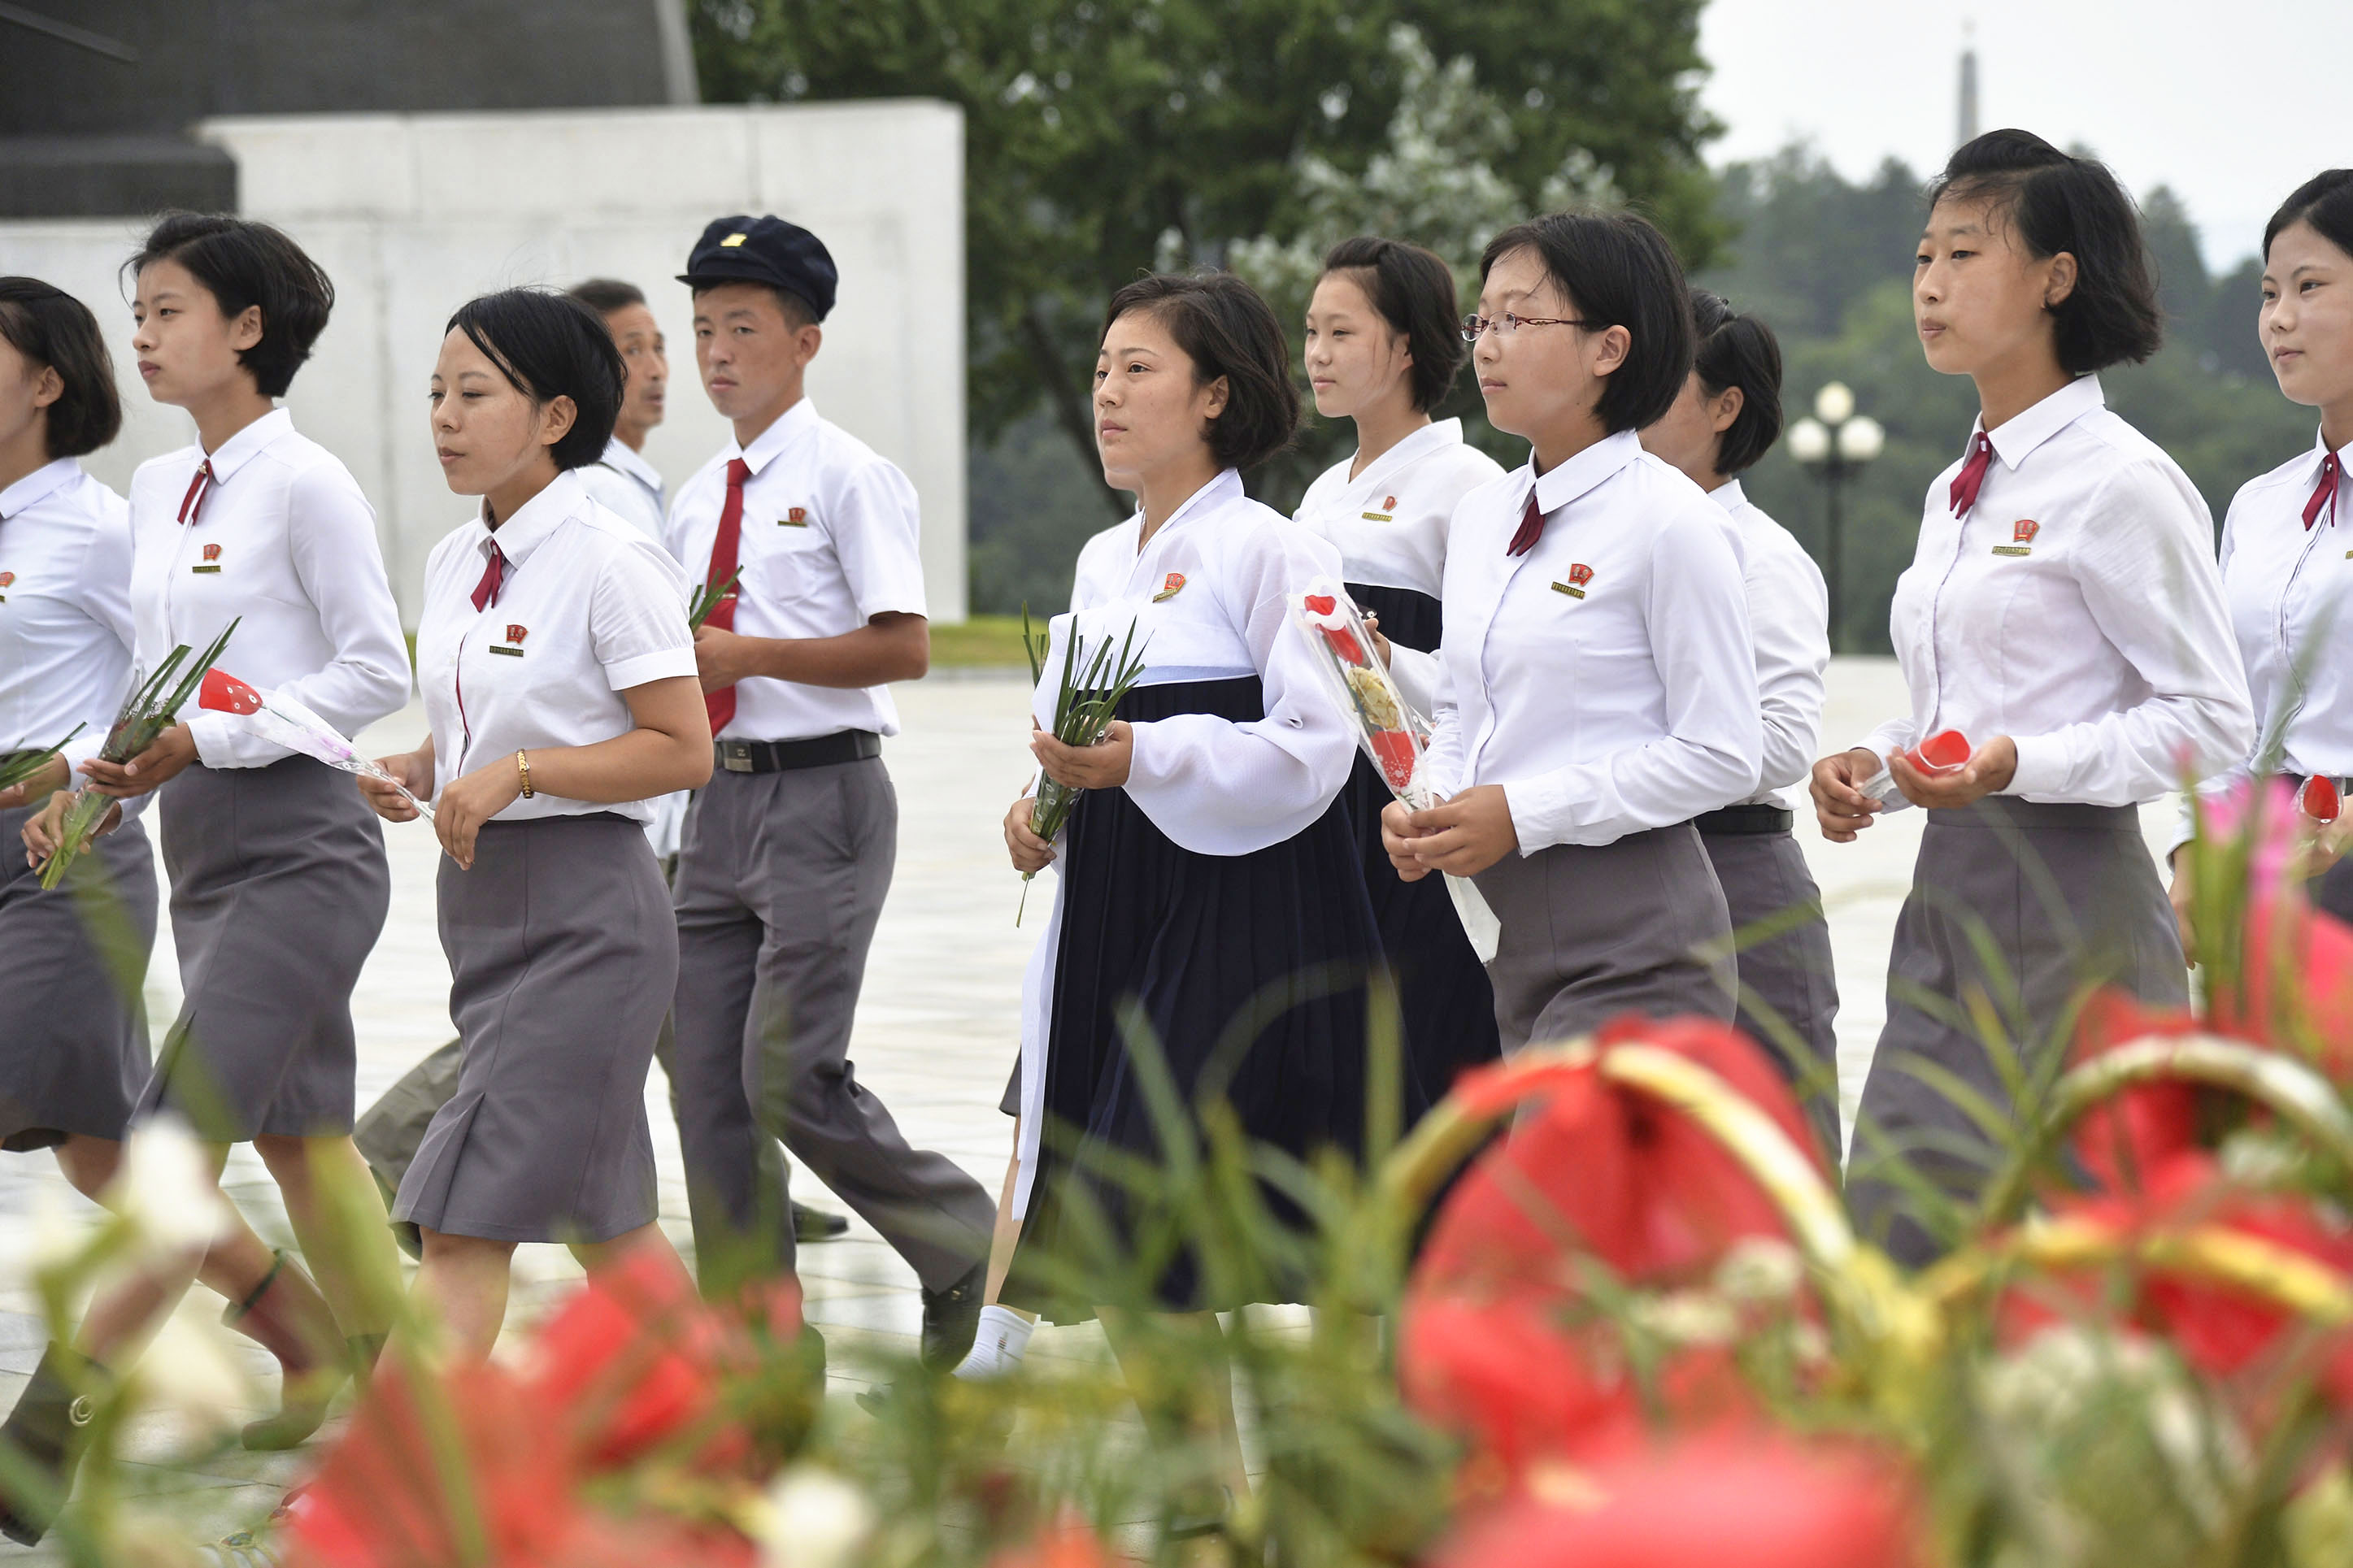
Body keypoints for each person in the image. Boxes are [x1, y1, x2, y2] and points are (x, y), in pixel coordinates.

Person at [3, 215, 414, 1539]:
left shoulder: (306, 485)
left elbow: (372, 671)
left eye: (169, 307)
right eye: (142, 310)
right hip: (207, 851)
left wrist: (206, 737)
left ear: (247, 326)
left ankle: (43, 1433)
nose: (144, 332)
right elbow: (142, 694)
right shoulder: (176, 494)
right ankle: (404, 1393)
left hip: (303, 848)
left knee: (173, 1150)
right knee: (306, 1150)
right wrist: (83, 774)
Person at [1813, 131, 2254, 1266]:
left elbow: (2212, 721)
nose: (1929, 284)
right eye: (1921, 257)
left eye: (1963, 253)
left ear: (2056, 277)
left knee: (2085, 1273)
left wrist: (2019, 764)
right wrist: (1874, 765)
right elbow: (1954, 713)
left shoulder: (2120, 482)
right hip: (1946, 906)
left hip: (2078, 913)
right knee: (1898, 1246)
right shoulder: (1950, 488)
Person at [1000, 270, 1404, 1505]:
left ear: (1217, 395)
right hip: (1114, 907)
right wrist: (1046, 811)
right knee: (1127, 1217)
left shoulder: (1273, 548)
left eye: (1139, 369)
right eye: (1103, 368)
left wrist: (1146, 756)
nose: (1106, 393)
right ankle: (1212, 1499)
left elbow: (1316, 743)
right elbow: (1080, 738)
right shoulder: (1099, 560)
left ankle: (1245, 1494)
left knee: (1141, 1205)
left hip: (1230, 910)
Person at [358, 288, 711, 1359]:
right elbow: (486, 721)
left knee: (462, 1220)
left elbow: (680, 746)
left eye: (474, 394)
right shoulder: (455, 562)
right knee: (613, 1231)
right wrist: (426, 764)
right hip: (482, 922)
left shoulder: (612, 559)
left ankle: (377, 1498)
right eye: (435, 394)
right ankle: (752, 1445)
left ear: (556, 416)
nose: (443, 419)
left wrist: (518, 772)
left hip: (589, 920)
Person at [663, 214, 992, 1361]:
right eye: (701, 329)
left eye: (742, 328)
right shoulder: (695, 493)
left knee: (786, 1071)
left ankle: (963, 1239)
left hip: (822, 798)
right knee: (704, 1086)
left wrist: (751, 658)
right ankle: (755, 1357)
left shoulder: (851, 477)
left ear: (805, 342)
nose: (715, 353)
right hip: (716, 805)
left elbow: (905, 648)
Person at [1383, 211, 1762, 1056]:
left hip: (1642, 947)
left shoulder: (1669, 521)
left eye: (1517, 319)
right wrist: (1430, 807)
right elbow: (1461, 705)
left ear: (1609, 348)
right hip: (1513, 940)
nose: (1485, 345)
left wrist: (1521, 812)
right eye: (1481, 321)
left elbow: (1724, 752)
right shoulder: (1483, 516)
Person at [1293, 235, 1506, 1098]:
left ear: (1409, 345)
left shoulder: (1470, 487)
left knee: (1426, 1039)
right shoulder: (1316, 493)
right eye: (1310, 332)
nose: (1315, 353)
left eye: (1340, 333)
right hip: (1319, 805)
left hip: (1412, 810)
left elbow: (1485, 672)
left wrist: (1387, 660)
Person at [1639, 288, 1840, 1158]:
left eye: (1663, 379)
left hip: (1734, 875)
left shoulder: (1760, 557)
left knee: (1768, 1174)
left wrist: (1634, 763)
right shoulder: (1615, 540)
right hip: (1632, 875)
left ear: (1725, 409)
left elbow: (1786, 739)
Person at [2173, 170, 2353, 939]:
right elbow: (2221, 708)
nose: (2279, 318)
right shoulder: (2258, 506)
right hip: (2261, 868)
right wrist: (2192, 860)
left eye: (2309, 286)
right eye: (2268, 292)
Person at [567, 277, 669, 541]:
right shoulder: (606, 491)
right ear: (583, 370)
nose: (657, 371)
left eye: (658, 348)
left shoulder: (577, 479)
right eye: (633, 350)